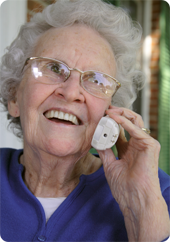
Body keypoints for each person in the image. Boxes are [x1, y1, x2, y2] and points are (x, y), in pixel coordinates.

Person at [0, 0, 170, 241]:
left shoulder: (159, 194)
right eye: (54, 68)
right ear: (14, 97)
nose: (70, 93)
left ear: (110, 113)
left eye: (97, 80)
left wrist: (143, 208)